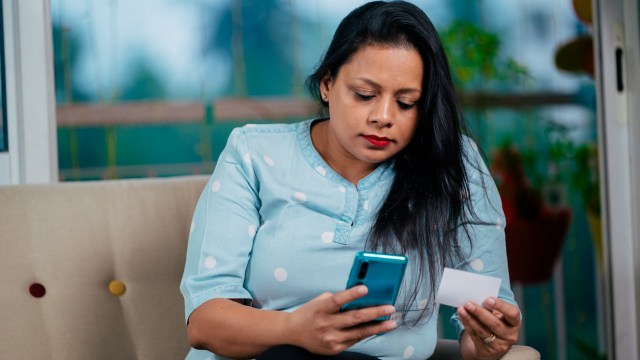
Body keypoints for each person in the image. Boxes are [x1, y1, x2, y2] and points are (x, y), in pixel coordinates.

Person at [180, 1, 522, 359]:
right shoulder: (253, 153)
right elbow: (204, 322)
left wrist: (488, 341)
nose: (384, 117)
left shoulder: (452, 163)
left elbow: (481, 326)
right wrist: (294, 329)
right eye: (365, 95)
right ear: (327, 84)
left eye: (406, 103)